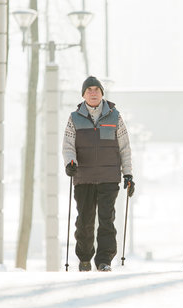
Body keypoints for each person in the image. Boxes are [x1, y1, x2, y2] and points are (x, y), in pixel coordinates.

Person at [62, 76, 135, 272]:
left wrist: (128, 174)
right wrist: (71, 163)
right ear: (84, 94)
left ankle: (104, 260)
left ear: (102, 93)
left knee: (106, 220)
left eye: (96, 89)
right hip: (83, 178)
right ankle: (85, 258)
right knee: (84, 220)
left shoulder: (115, 116)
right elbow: (68, 146)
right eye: (89, 90)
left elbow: (124, 148)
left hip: (108, 178)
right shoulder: (74, 118)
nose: (93, 93)